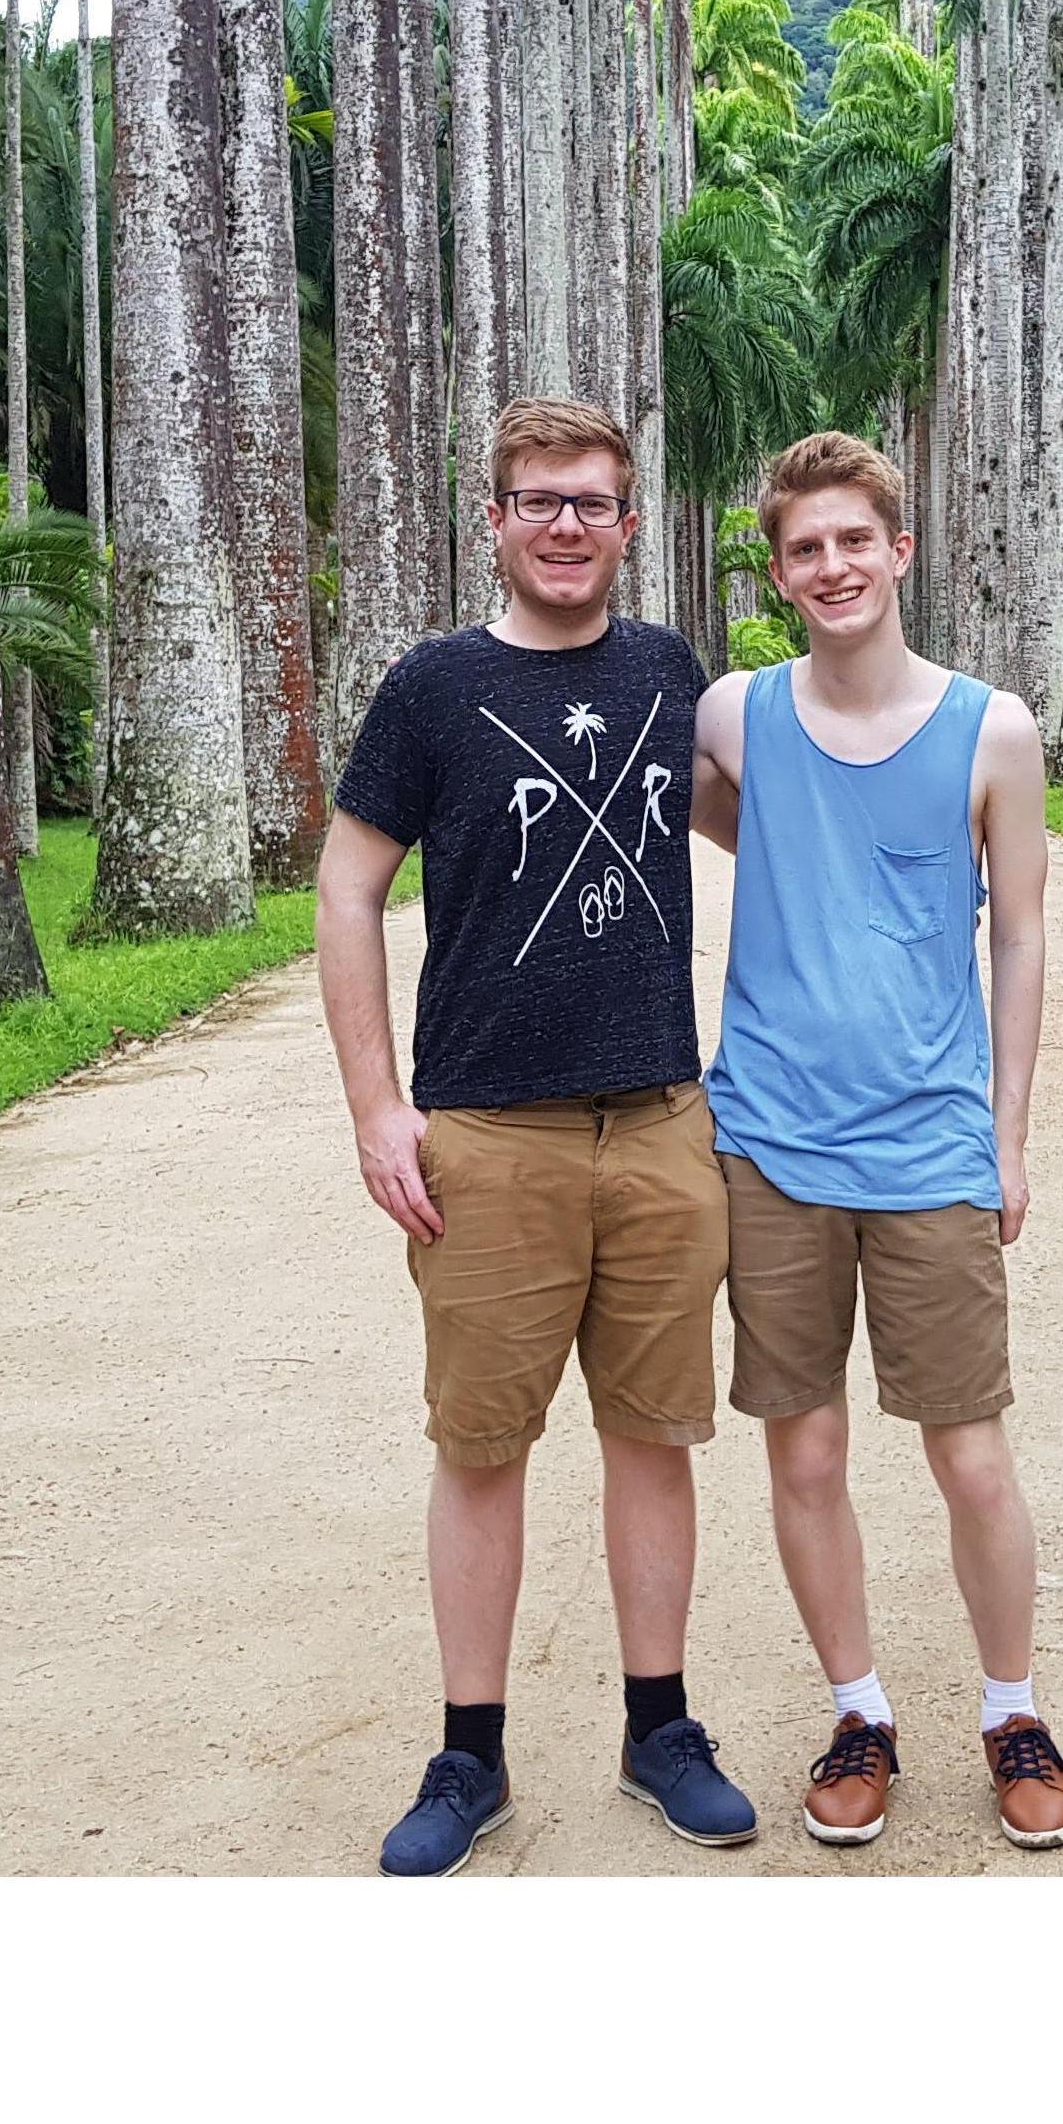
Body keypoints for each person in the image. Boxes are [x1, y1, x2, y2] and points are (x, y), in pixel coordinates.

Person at [316, 396, 757, 1877]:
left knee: (655, 1437)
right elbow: (348, 889)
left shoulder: (668, 672)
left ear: (630, 525)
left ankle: (659, 1730)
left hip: (660, 1122)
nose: (567, 526)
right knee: (482, 1447)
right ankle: (471, 1753)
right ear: (494, 518)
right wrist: (378, 1106)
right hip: (490, 1134)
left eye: (592, 503)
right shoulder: (434, 689)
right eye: (539, 501)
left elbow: (749, 821)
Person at [692, 430, 1063, 1852]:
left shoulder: (993, 731)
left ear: (900, 552)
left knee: (971, 1458)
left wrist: (1007, 1135)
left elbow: (1020, 937)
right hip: (771, 1145)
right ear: (780, 574)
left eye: (856, 538)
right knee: (804, 1457)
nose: (834, 564)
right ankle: (859, 1713)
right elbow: (723, 824)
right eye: (806, 547)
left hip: (930, 1149)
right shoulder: (737, 714)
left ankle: (1012, 1711)